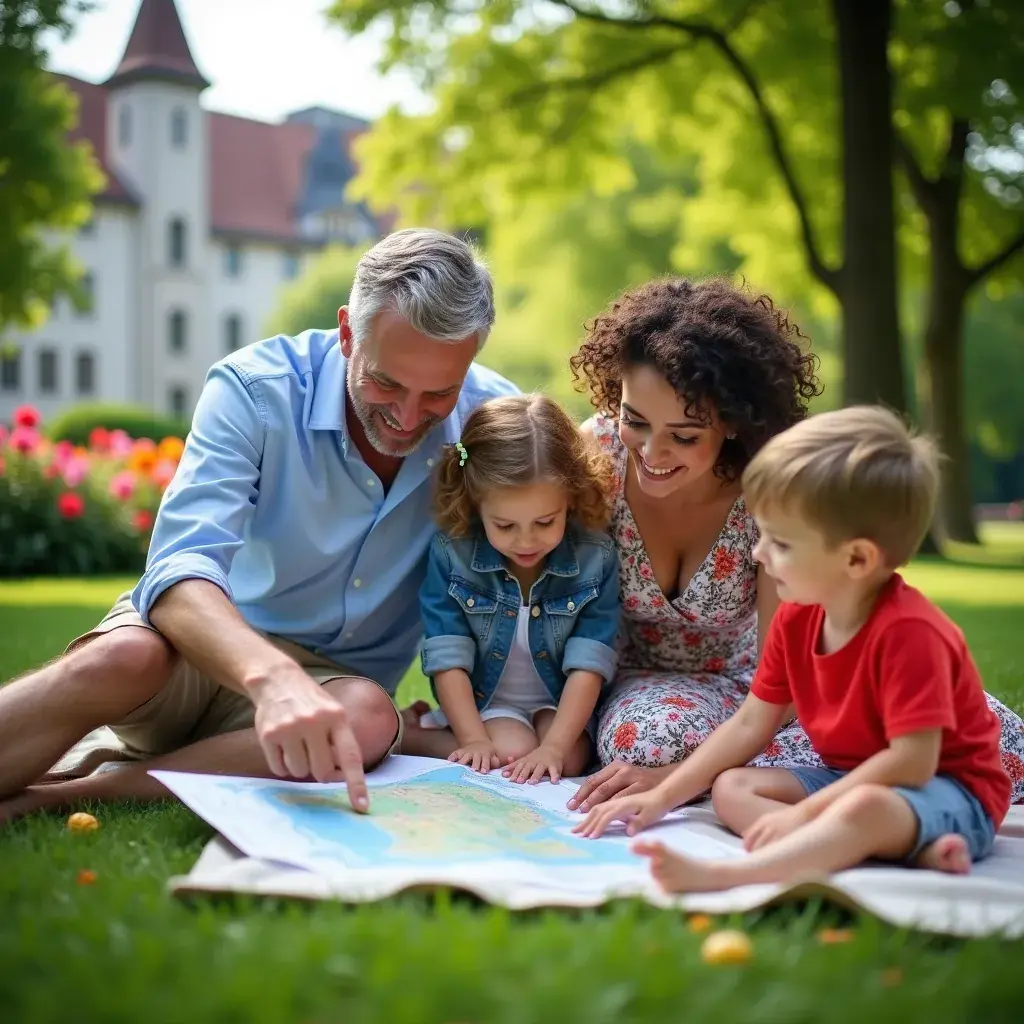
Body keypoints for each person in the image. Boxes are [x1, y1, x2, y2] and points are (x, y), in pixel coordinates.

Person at [0, 228, 518, 824]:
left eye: (439, 395)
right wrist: (272, 678)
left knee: (369, 717)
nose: (406, 418)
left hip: (336, 696)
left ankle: (72, 794)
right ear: (348, 332)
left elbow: (556, 538)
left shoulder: (490, 424)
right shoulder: (256, 388)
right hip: (202, 649)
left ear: (472, 358)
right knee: (122, 657)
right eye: (387, 382)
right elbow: (178, 569)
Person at [566, 277, 1024, 813]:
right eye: (634, 420)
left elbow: (776, 686)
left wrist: (676, 782)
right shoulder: (594, 455)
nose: (652, 451)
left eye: (685, 435)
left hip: (764, 689)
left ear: (734, 423)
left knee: (1002, 742)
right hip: (645, 685)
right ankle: (867, 784)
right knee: (648, 742)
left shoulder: (774, 488)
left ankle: (836, 779)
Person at [575, 407, 1011, 890]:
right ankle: (894, 847)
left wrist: (810, 815)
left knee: (866, 809)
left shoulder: (912, 634)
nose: (758, 554)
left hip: (947, 791)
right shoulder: (798, 615)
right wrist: (663, 796)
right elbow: (750, 722)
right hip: (850, 776)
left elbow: (912, 762)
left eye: (780, 543)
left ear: (857, 558)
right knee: (731, 788)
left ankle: (734, 873)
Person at [414, 394, 620, 784]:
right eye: (505, 526)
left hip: (560, 699)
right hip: (487, 703)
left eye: (545, 522)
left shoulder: (596, 557)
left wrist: (555, 747)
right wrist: (474, 738)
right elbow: (448, 655)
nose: (526, 541)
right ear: (477, 507)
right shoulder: (452, 552)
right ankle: (418, 738)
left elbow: (589, 663)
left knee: (570, 761)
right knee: (516, 752)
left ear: (570, 499)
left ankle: (530, 743)